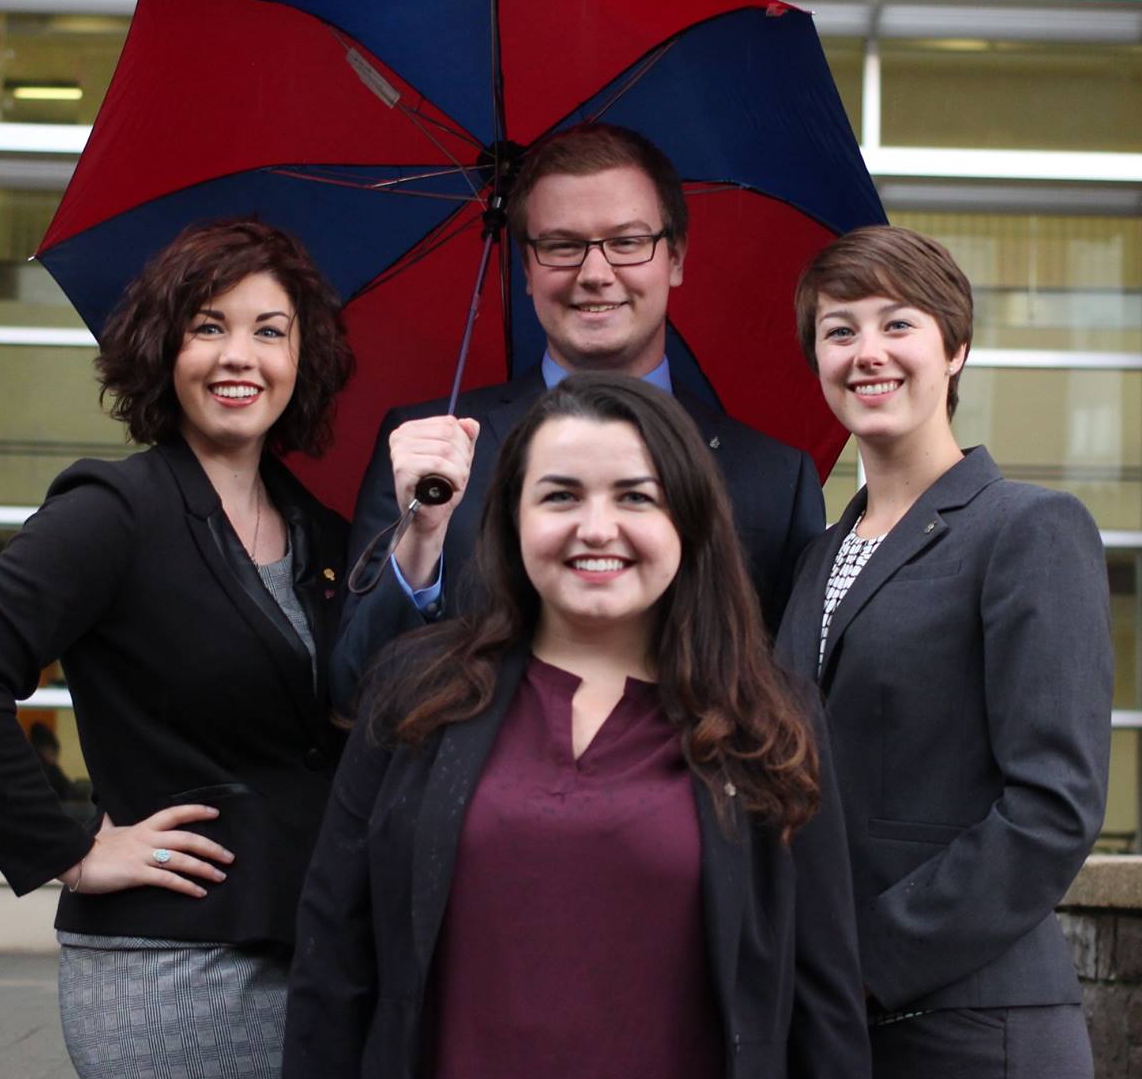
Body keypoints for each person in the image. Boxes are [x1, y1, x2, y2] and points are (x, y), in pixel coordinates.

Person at [280, 373, 871, 1079]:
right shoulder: (417, 698)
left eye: (637, 495)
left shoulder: (768, 724)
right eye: (560, 495)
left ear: (691, 520)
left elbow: (823, 1015)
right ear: (511, 518)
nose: (598, 527)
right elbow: (335, 975)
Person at [0, 217, 354, 1079]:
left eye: (269, 331)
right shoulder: (113, 512)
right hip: (171, 966)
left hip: (307, 954)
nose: (240, 356)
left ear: (301, 356)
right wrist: (72, 845)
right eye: (209, 326)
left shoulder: (324, 532)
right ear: (164, 348)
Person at [775, 226, 1111, 1079]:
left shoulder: (1027, 527)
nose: (865, 351)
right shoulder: (813, 560)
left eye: (896, 322)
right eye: (837, 332)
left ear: (953, 348)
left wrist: (863, 965)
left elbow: (1052, 804)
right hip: (834, 1029)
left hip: (970, 1029)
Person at [331, 123, 826, 705]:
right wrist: (419, 543)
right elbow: (355, 692)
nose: (595, 274)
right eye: (563, 245)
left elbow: (791, 709)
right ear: (527, 266)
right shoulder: (429, 452)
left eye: (627, 242)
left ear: (676, 257)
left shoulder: (773, 478)